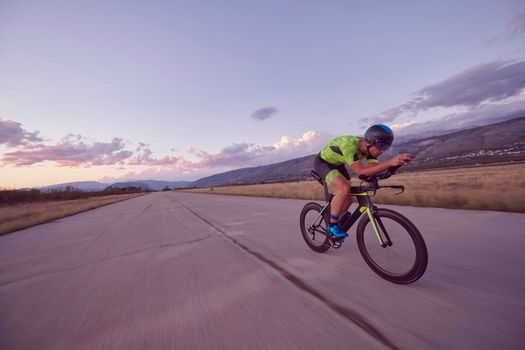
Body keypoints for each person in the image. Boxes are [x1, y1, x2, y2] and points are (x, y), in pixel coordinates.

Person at [314, 124, 412, 239]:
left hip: (338, 164)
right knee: (343, 188)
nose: (382, 151)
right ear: (368, 142)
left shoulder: (371, 151)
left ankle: (336, 217)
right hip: (323, 163)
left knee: (349, 198)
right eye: (380, 145)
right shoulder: (349, 145)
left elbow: (373, 170)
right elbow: (361, 172)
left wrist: (393, 168)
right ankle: (332, 225)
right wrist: (390, 162)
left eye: (386, 147)